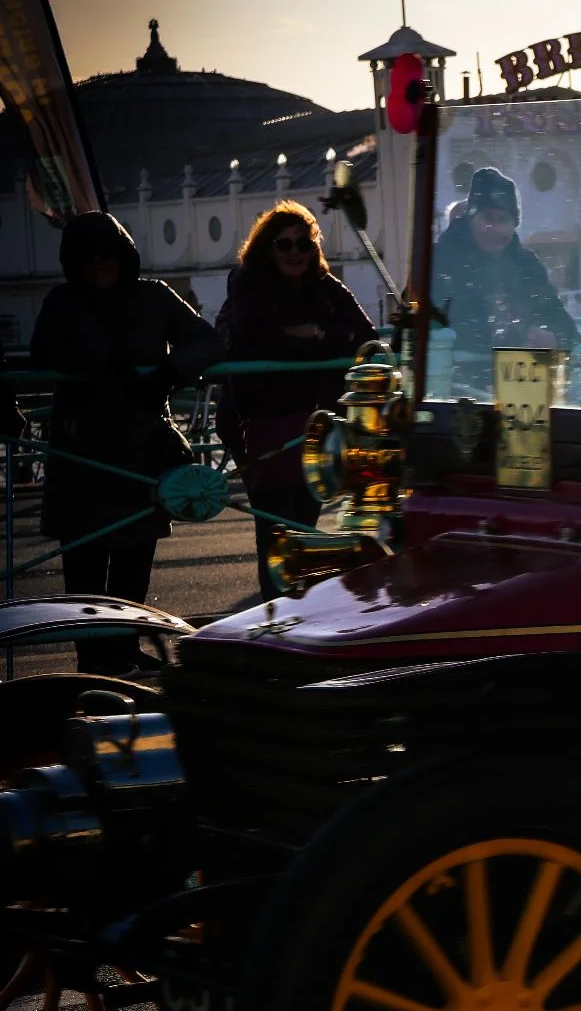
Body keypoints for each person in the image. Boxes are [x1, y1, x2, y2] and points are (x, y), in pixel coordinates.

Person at [30, 211, 215, 673]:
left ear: (122, 254)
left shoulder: (155, 297)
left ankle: (125, 648)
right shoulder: (61, 302)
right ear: (72, 260)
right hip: (82, 457)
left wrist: (171, 372)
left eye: (106, 252)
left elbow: (207, 342)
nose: (98, 262)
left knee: (135, 559)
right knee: (86, 567)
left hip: (138, 450)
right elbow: (43, 352)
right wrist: (103, 365)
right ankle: (92, 660)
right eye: (87, 255)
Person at [215, 201, 375, 596]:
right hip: (262, 423)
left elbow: (365, 333)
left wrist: (316, 333)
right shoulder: (247, 283)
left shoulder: (322, 284)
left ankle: (294, 613)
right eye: (284, 244)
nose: (294, 253)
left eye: (304, 245)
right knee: (274, 531)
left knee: (304, 525)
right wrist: (313, 340)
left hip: (315, 424)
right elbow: (256, 335)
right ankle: (273, 615)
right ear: (267, 248)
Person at [432, 168, 579, 362]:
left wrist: (555, 339)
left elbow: (564, 325)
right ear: (471, 219)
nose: (493, 229)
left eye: (503, 219)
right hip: (455, 385)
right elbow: (435, 329)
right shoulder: (440, 260)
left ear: (514, 224)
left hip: (518, 383)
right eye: (487, 218)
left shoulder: (526, 265)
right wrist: (515, 341)